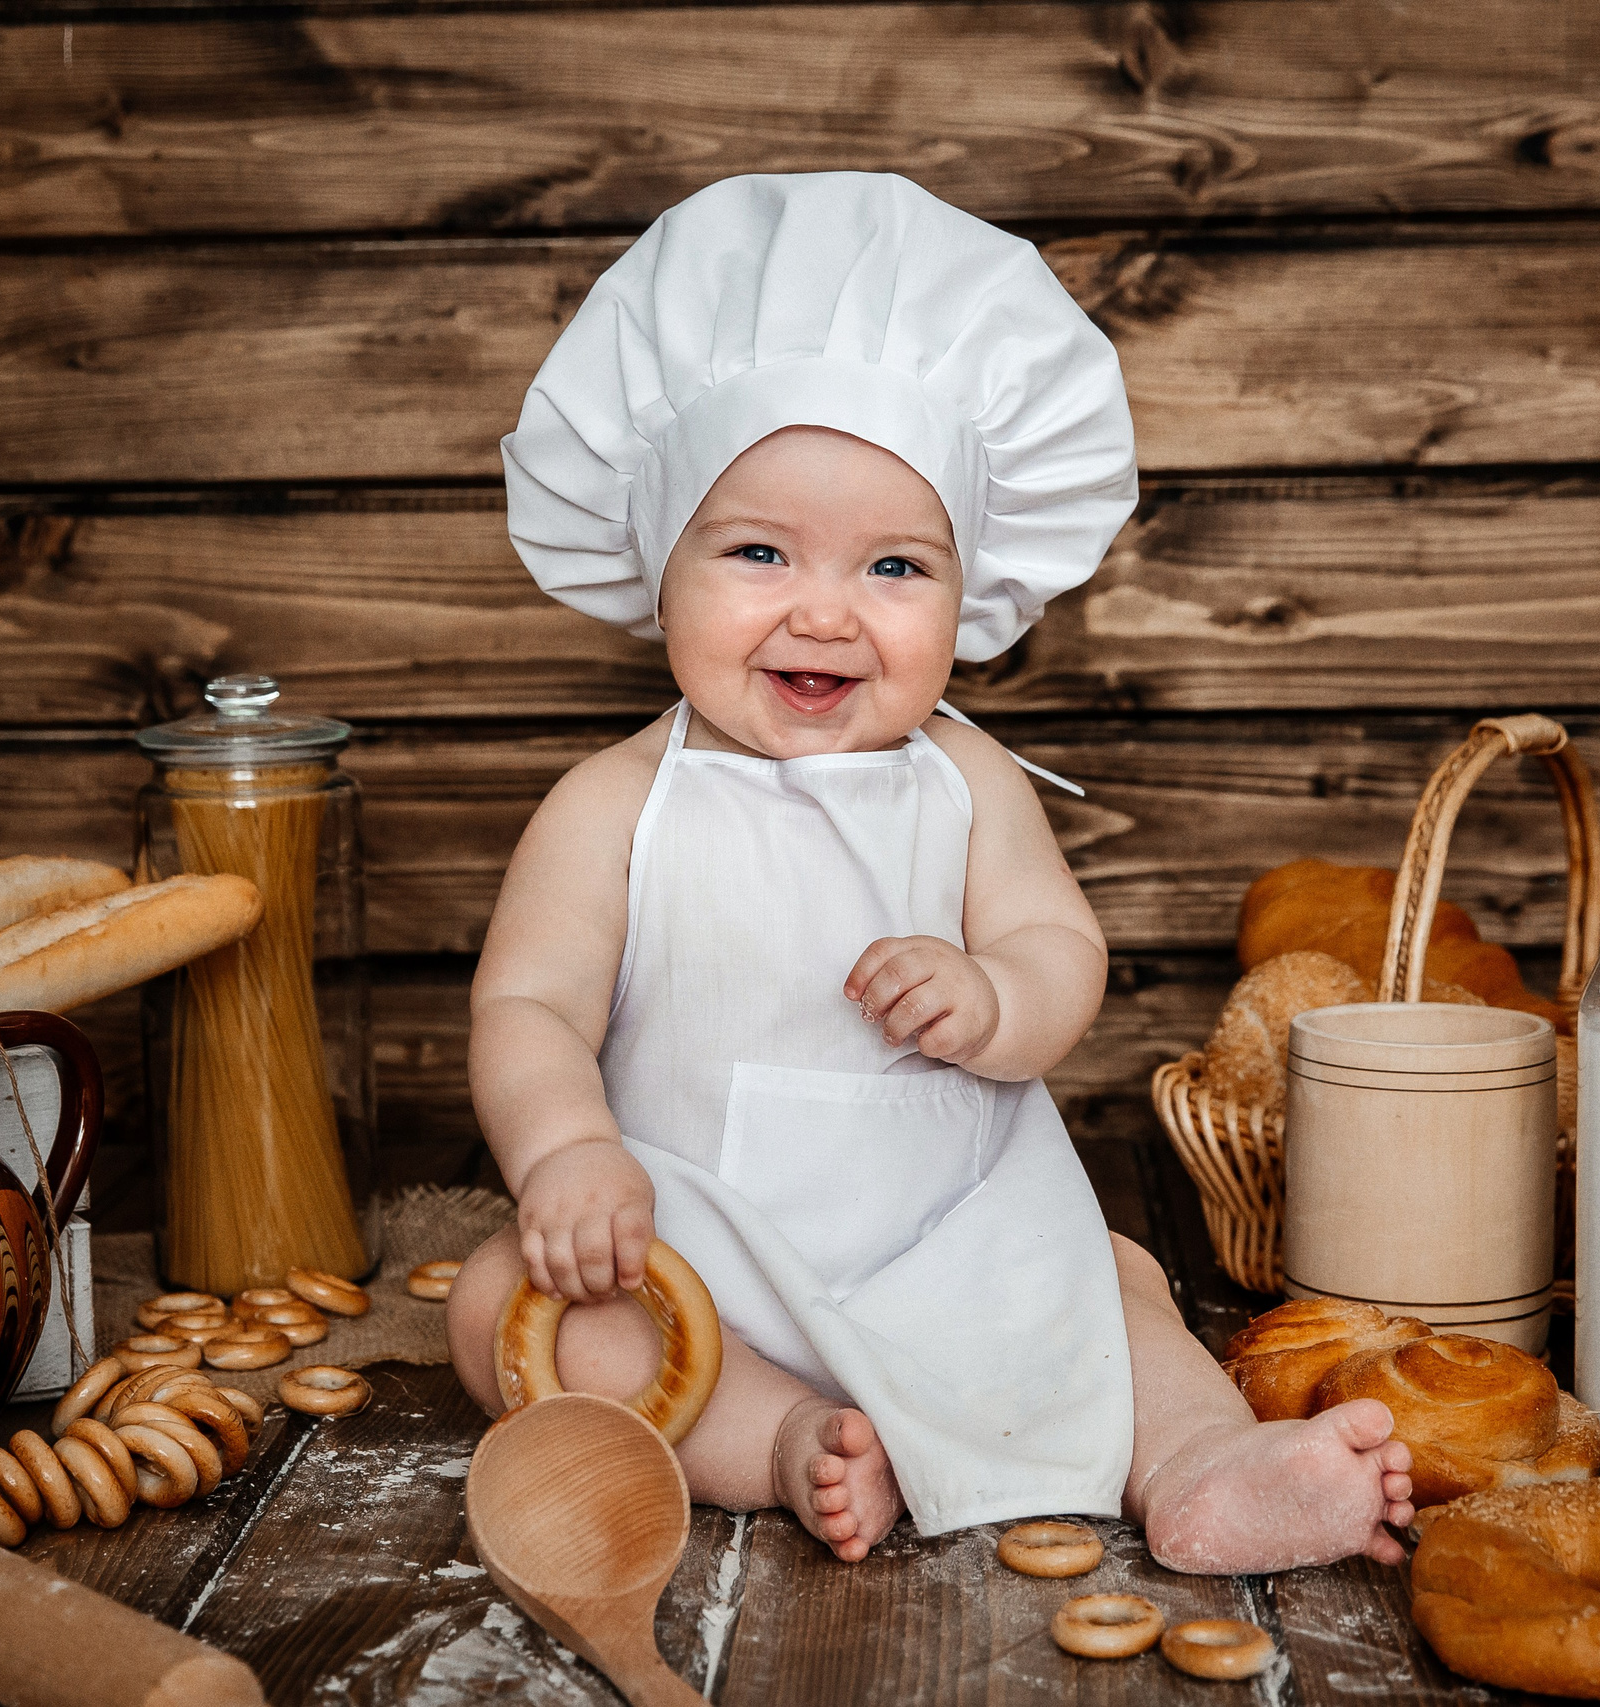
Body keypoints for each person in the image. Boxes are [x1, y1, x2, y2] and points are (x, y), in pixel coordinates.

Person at [445, 173, 1414, 1571]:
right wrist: (567, 1153)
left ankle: (1198, 1462)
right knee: (500, 1308)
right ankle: (789, 1444)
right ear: (661, 561)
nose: (825, 609)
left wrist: (992, 993)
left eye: (895, 565)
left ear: (970, 602)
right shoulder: (614, 804)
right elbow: (526, 1008)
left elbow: (1059, 953)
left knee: (1118, 1287)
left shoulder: (964, 783)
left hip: (957, 1232)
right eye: (759, 550)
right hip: (693, 1247)